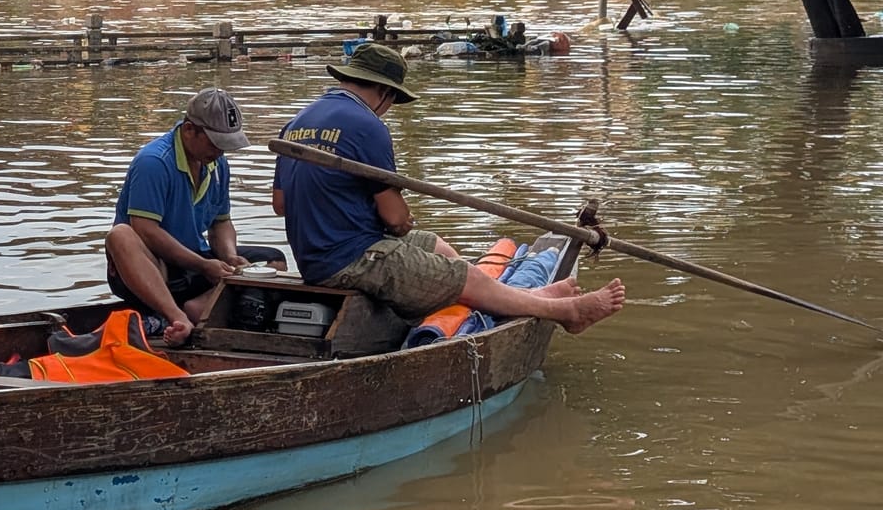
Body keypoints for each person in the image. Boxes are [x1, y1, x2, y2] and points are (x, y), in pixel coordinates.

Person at [273, 44, 624, 333]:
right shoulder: (368, 125)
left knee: (436, 246)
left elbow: (280, 204)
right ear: (384, 92)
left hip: (316, 255)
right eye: (392, 101)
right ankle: (567, 313)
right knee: (465, 275)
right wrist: (401, 222)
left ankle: (527, 296)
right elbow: (394, 217)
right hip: (351, 259)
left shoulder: (298, 122)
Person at [106, 88, 287, 345]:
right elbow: (146, 230)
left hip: (191, 264)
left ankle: (200, 306)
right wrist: (203, 265)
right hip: (154, 269)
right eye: (215, 144)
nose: (221, 152)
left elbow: (220, 221)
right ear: (190, 130)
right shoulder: (154, 162)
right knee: (120, 235)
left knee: (273, 262)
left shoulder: (216, 163)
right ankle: (177, 316)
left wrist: (229, 255)